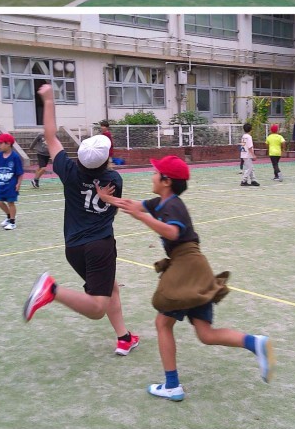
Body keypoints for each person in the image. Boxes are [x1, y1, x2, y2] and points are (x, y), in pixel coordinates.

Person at [95, 155, 275, 400]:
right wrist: (107, 198)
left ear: (166, 181)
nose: (152, 176)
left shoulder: (173, 206)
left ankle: (172, 385)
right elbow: (132, 205)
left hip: (186, 267)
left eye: (155, 172)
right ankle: (255, 343)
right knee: (205, 333)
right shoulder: (161, 202)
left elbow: (173, 232)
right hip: (195, 267)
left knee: (163, 323)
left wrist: (143, 217)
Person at [22, 84, 139, 357]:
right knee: (97, 307)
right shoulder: (114, 180)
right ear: (107, 158)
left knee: (110, 288)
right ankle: (52, 290)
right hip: (99, 246)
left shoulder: (68, 171)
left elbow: (50, 136)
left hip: (73, 247)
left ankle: (124, 337)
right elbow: (113, 207)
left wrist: (48, 101)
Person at [0, 132, 24, 230]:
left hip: (11, 185)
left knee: (11, 203)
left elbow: (20, 172)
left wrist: (18, 183)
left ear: (8, 143)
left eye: (1, 143)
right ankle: (9, 216)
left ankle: (12, 222)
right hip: (0, 184)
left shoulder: (15, 157)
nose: (0, 145)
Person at [239, 122, 259, 186]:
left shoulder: (243, 136)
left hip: (243, 153)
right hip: (248, 154)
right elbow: (250, 147)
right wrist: (253, 155)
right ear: (250, 129)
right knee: (249, 168)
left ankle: (253, 180)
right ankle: (244, 180)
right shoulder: (249, 137)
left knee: (251, 167)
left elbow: (242, 145)